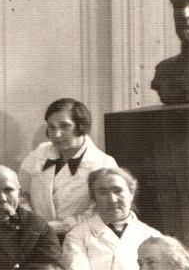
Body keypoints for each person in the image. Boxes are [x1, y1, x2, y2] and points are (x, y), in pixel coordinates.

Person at [63, 167, 162, 270]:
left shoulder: (153, 236)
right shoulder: (77, 236)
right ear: (94, 198)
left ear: (131, 193)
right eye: (102, 192)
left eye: (118, 191)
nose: (112, 199)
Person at [17, 98, 119, 236]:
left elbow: (100, 211)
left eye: (65, 126)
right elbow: (20, 194)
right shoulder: (38, 154)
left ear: (81, 126)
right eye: (52, 127)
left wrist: (56, 227)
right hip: (36, 236)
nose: (56, 134)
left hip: (82, 238)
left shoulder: (103, 163)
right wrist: (32, 222)